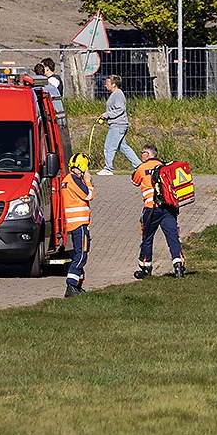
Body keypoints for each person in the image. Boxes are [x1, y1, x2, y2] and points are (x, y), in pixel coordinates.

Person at [130, 143, 185, 279]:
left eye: (142, 152)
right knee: (173, 237)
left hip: (152, 208)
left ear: (147, 154)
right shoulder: (166, 166)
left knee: (147, 238)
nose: (141, 155)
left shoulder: (142, 168)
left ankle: (145, 268)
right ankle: (179, 266)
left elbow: (134, 181)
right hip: (168, 208)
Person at [61, 153, 95, 297]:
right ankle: (71, 285)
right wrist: (88, 181)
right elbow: (88, 195)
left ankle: (78, 285)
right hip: (79, 223)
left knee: (76, 254)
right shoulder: (73, 179)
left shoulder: (67, 179)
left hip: (72, 224)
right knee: (81, 255)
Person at [97, 74, 140, 175]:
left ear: (114, 84)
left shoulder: (118, 94)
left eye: (107, 83)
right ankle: (139, 165)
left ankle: (108, 169)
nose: (105, 85)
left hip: (118, 125)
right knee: (123, 147)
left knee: (109, 146)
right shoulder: (115, 94)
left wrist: (107, 114)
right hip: (118, 124)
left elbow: (120, 109)